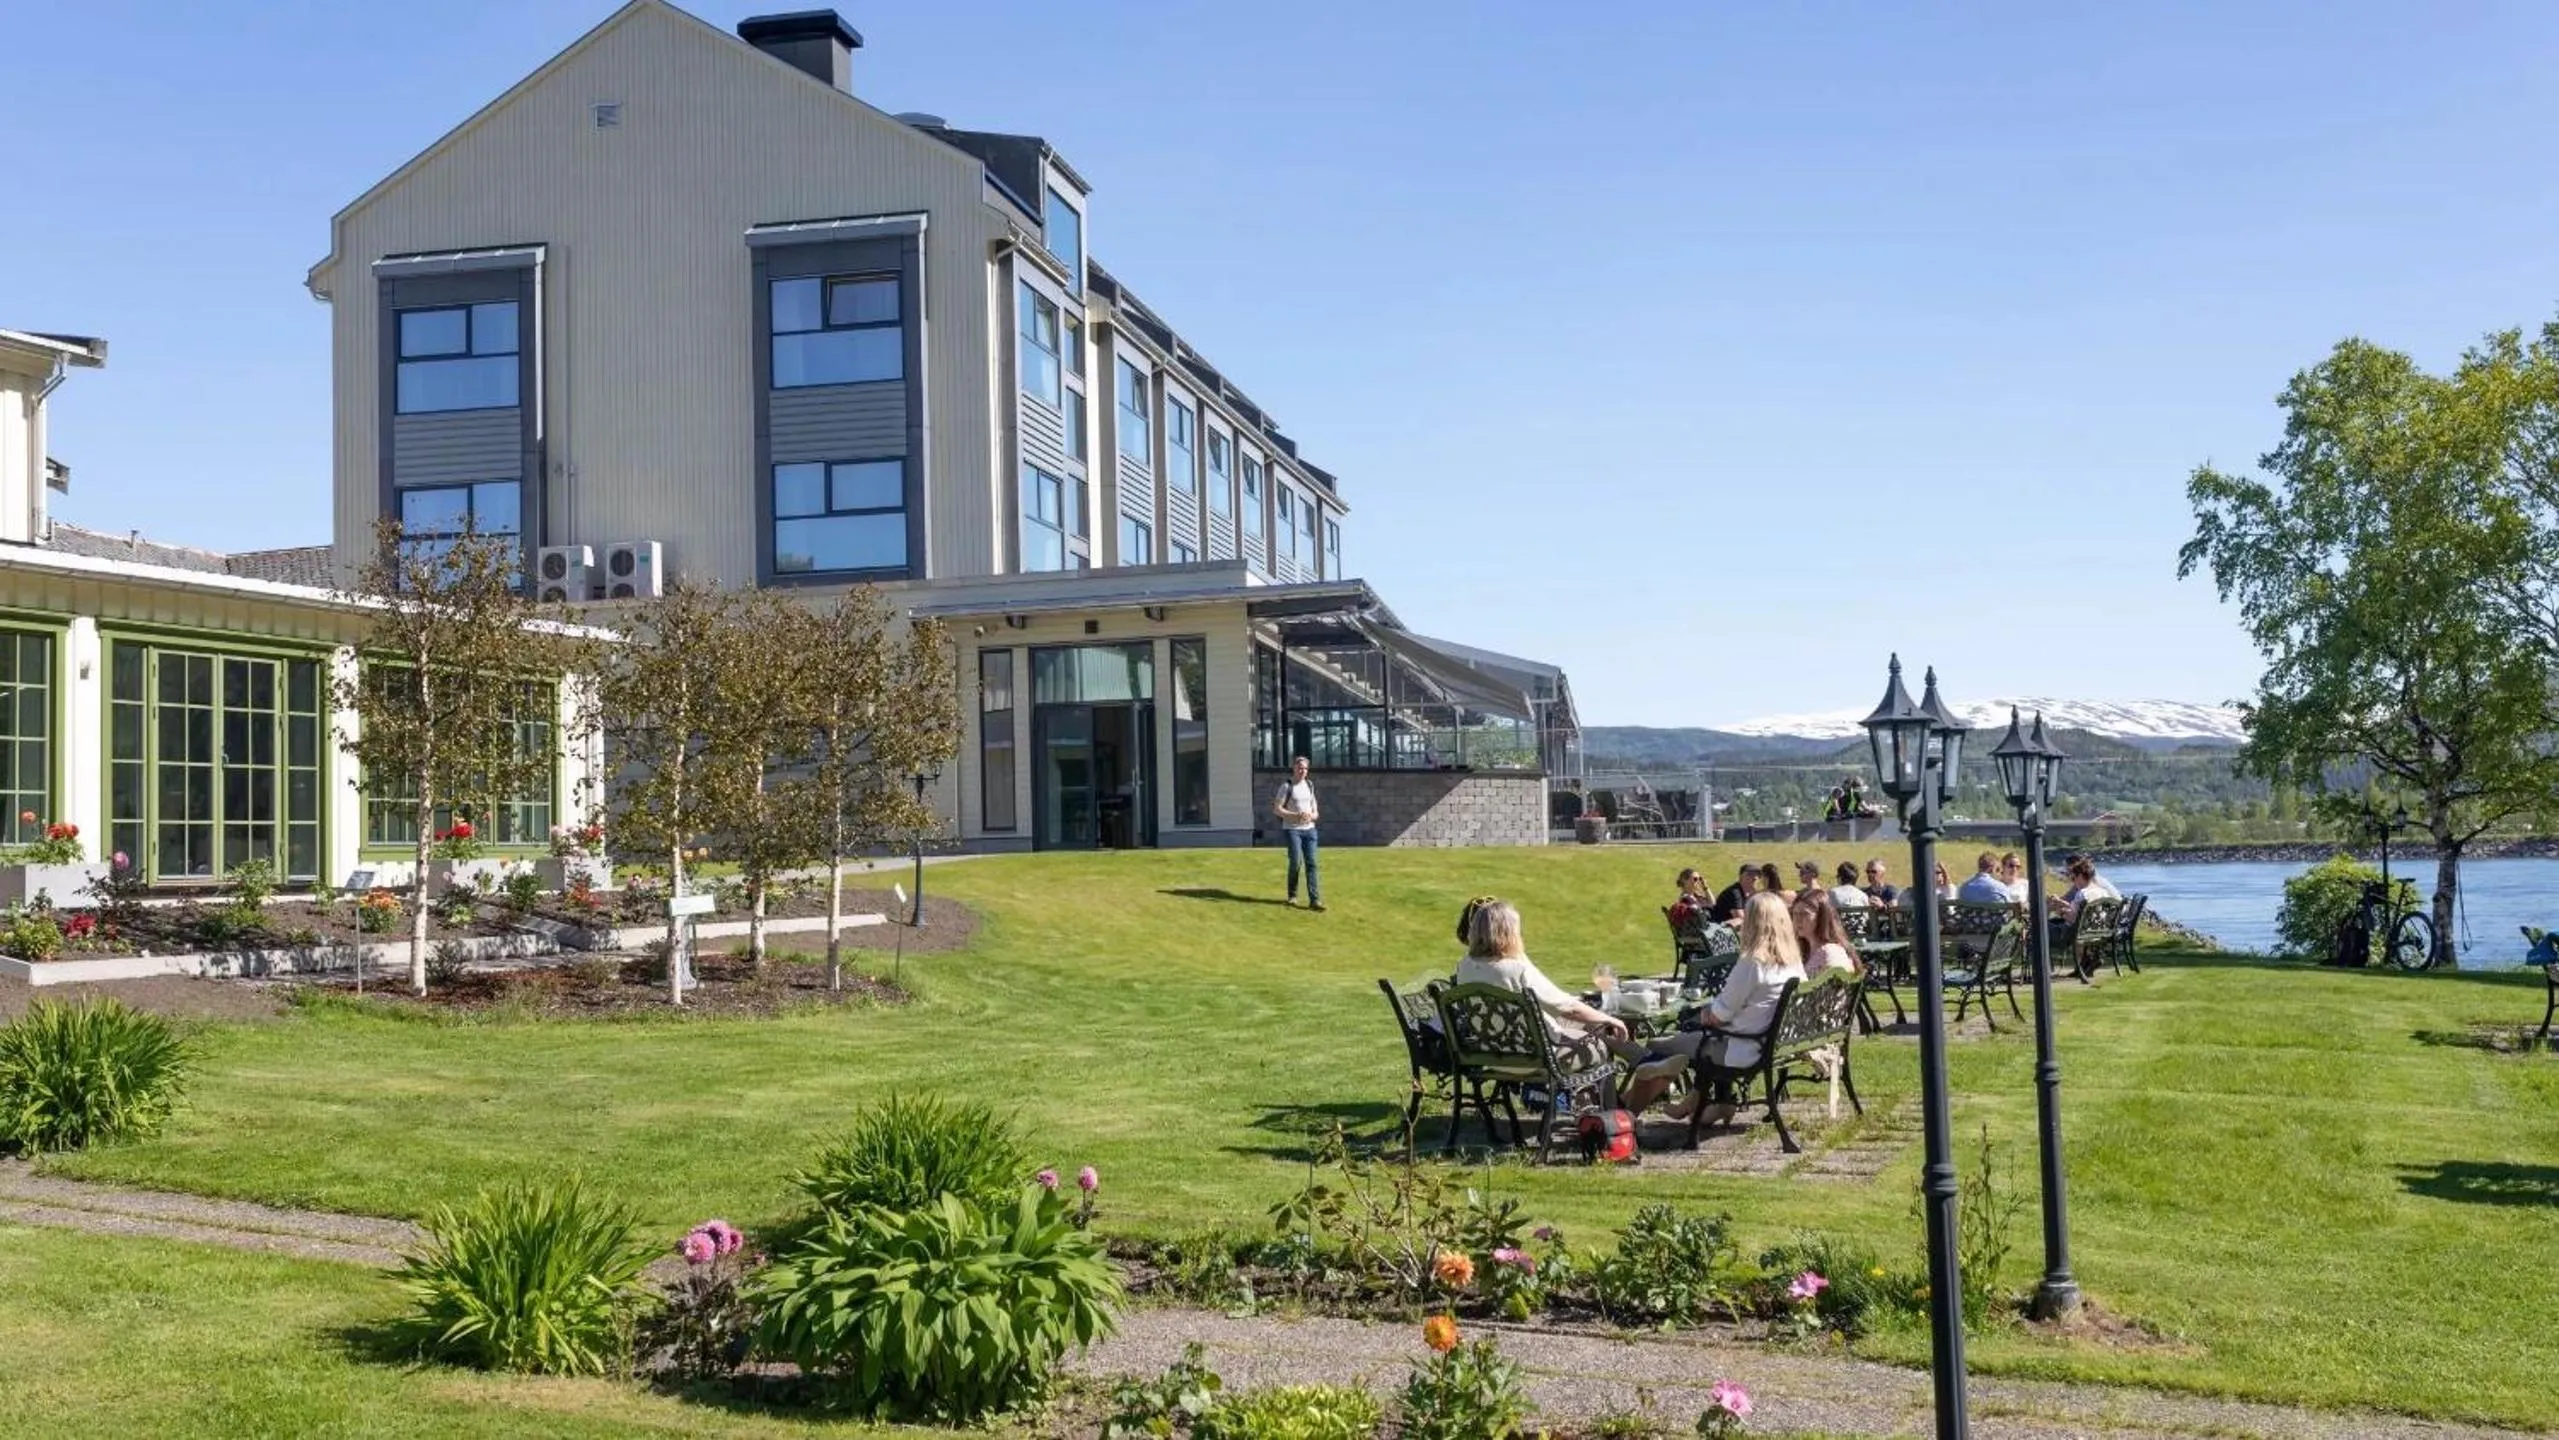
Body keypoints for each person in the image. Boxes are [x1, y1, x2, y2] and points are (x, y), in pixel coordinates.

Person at [1620, 892, 1808, 1121]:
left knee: (1659, 1044)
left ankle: (1626, 1110)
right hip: (1768, 1042)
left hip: (1741, 1047)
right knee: (1669, 1049)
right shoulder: (1793, 961)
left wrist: (1703, 1013)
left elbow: (1719, 1015)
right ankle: (1703, 1099)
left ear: (1752, 922)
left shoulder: (1753, 962)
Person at [1451, 898, 1633, 1073]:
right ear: (1508, 933)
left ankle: (1643, 1063)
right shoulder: (1516, 969)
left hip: (1490, 1055)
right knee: (1598, 1044)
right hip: (1535, 1057)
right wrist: (1610, 1019)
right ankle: (1613, 1101)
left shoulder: (1464, 967)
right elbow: (1569, 1009)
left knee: (1590, 1024)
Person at [1272, 755, 1323, 911]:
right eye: (1300, 767)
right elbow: (1277, 809)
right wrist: (1295, 816)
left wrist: (1311, 816)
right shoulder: (1286, 786)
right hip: (1292, 830)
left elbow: (1316, 811)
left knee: (1312, 863)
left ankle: (1315, 900)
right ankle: (1292, 896)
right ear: (1294, 768)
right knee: (1296, 862)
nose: (1302, 771)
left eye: (1305, 768)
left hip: (1309, 830)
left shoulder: (1310, 785)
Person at [1793, 889, 1863, 979]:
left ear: (1821, 917)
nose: (1798, 920)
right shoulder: (1805, 950)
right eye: (1795, 914)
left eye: (1805, 914)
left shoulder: (1830, 953)